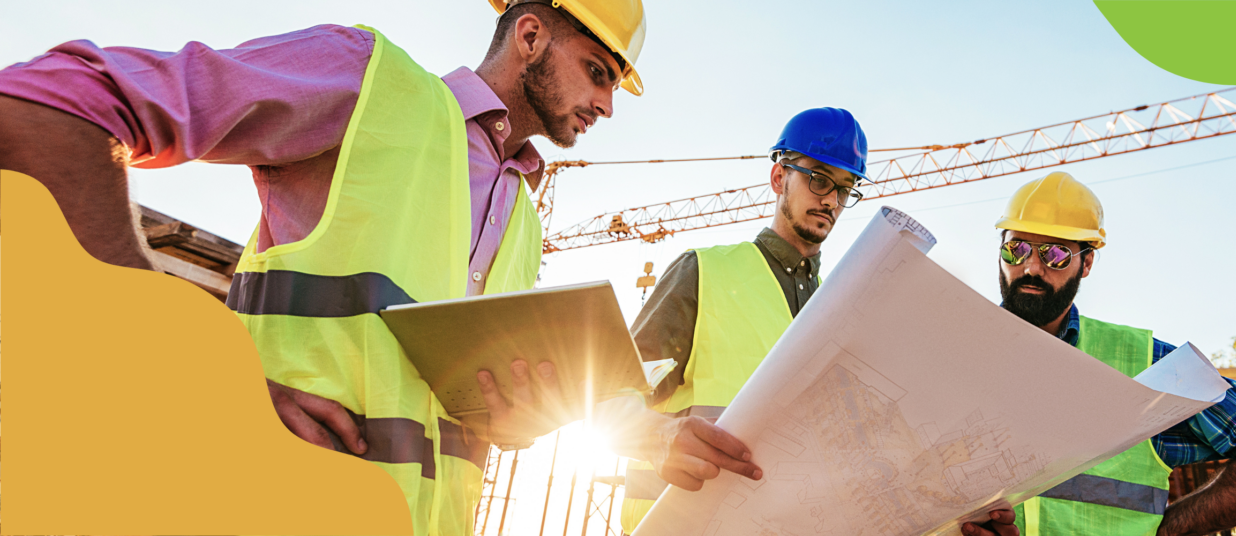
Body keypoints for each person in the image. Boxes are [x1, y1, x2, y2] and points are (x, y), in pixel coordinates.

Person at [0, 1, 755, 533]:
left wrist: (519, 421)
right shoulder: (367, 84)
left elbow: (437, 401)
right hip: (263, 507)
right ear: (530, 35)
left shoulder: (523, 220)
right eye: (597, 71)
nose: (605, 104)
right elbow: (52, 105)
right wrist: (197, 370)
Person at [962, 172, 1236, 536]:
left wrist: (1165, 530)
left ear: (1086, 264)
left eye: (1056, 255)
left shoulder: (1147, 366)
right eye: (1017, 249)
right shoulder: (949, 352)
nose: (1031, 268)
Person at [616, 107, 869, 534]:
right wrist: (659, 437)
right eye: (820, 179)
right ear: (778, 178)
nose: (831, 200)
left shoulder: (839, 309)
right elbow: (605, 398)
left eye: (845, 189)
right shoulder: (702, 272)